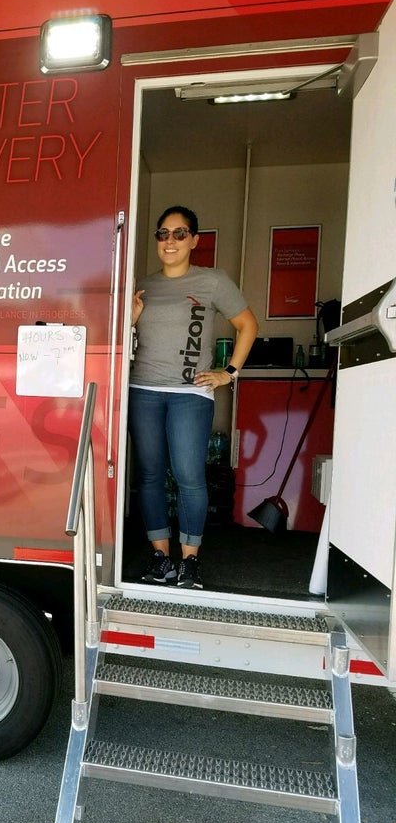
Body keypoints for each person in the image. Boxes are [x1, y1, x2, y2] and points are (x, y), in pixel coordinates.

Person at [129, 205, 258, 589]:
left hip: (190, 394)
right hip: (144, 391)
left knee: (188, 477)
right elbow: (125, 343)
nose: (170, 241)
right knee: (149, 476)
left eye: (179, 233)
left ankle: (189, 562)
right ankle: (160, 558)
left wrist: (229, 373)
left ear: (194, 240)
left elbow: (248, 325)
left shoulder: (213, 282)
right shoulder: (143, 286)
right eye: (163, 234)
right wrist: (130, 318)